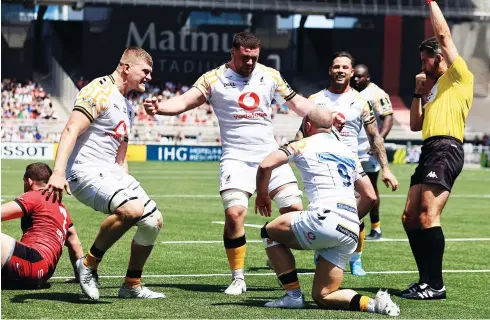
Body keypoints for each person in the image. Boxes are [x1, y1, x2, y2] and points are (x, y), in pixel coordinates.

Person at [144, 32, 314, 295]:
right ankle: (238, 277)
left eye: (255, 58)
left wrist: (322, 115)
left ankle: (274, 251)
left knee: (294, 210)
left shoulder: (270, 75)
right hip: (235, 157)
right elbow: (185, 101)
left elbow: (297, 103)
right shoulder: (213, 79)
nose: (250, 63)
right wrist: (159, 107)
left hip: (270, 154)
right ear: (233, 52)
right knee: (235, 214)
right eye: (245, 57)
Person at [43, 47, 165, 300]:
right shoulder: (98, 90)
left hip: (111, 173)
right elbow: (70, 130)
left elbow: (121, 158)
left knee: (153, 222)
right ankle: (88, 265)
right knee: (132, 210)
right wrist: (57, 172)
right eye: (145, 71)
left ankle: (131, 285)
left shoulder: (128, 107)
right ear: (126, 67)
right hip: (84, 172)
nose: (149, 77)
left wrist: (127, 183)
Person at [255, 107, 400, 316]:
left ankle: (293, 296)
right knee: (324, 295)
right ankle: (374, 304)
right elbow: (370, 196)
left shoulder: (302, 144)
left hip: (324, 218)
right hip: (350, 229)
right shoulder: (348, 153)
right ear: (331, 127)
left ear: (306, 126)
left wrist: (262, 195)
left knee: (268, 232)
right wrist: (345, 220)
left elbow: (265, 165)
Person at [297, 51, 399, 276]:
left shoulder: (361, 102)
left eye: (345, 67)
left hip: (350, 167)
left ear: (352, 72)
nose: (340, 70)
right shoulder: (315, 100)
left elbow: (375, 137)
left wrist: (386, 169)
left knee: (356, 213)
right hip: (321, 168)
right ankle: (323, 251)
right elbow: (301, 133)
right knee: (322, 213)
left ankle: (356, 258)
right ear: (330, 70)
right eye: (336, 67)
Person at [401, 0, 473, 300]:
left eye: (424, 61)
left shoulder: (458, 76)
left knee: (429, 215)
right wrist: (418, 92)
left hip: (447, 147)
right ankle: (425, 281)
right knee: (409, 217)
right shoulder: (431, 89)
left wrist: (431, 2)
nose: (422, 66)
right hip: (429, 148)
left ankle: (436, 285)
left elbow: (443, 35)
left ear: (438, 57)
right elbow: (416, 125)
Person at [1, 162, 84, 289]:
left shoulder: (35, 196)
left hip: (32, 260)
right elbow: (75, 245)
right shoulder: (63, 210)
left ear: (29, 181)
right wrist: (80, 278)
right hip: (42, 275)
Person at [352, 64, 394, 240]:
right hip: (351, 149)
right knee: (350, 190)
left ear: (368, 77)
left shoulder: (377, 94)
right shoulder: (349, 92)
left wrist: (379, 140)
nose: (356, 79)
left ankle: (375, 227)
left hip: (368, 151)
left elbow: (388, 118)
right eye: (354, 76)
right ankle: (352, 226)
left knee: (370, 189)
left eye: (360, 77)